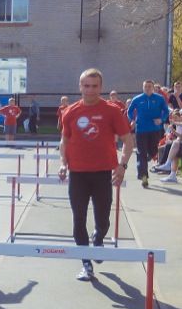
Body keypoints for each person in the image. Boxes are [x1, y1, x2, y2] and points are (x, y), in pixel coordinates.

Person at [58, 68, 135, 281]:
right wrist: (63, 164)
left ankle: (98, 236)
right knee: (78, 218)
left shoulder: (112, 111)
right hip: (78, 174)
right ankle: (86, 264)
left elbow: (128, 140)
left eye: (94, 86)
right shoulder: (70, 112)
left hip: (103, 173)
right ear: (80, 87)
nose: (90, 90)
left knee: (103, 219)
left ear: (101, 87)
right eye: (86, 86)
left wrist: (122, 165)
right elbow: (64, 141)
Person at [127, 79, 170, 188]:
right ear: (143, 88)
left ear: (153, 88)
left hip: (155, 129)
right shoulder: (137, 99)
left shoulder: (159, 98)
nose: (147, 88)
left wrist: (161, 119)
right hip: (141, 129)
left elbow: (166, 111)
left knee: (153, 151)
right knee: (141, 153)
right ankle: (144, 177)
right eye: (145, 87)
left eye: (149, 86)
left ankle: (146, 159)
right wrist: (132, 119)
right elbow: (130, 111)